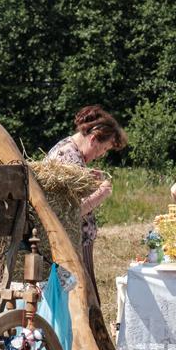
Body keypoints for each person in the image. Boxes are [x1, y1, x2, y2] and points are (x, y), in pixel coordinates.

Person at [46, 105, 127, 300]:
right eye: (104, 148)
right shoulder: (68, 157)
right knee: (84, 301)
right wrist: (100, 194)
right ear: (93, 139)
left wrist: (88, 179)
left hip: (75, 243)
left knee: (87, 299)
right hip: (69, 246)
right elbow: (69, 211)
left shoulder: (70, 151)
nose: (101, 154)